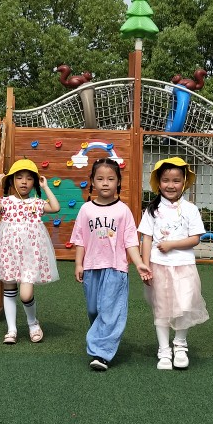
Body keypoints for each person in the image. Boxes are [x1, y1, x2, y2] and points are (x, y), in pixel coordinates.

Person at [69, 157, 151, 371]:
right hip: (91, 267)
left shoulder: (123, 211)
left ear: (118, 182)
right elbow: (80, 239)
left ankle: (101, 353)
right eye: (100, 179)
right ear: (92, 182)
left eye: (110, 179)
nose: (105, 183)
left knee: (110, 310)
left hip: (116, 268)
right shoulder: (86, 209)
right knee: (93, 309)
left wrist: (139, 263)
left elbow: (130, 241)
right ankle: (101, 338)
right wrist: (78, 263)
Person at [139, 157, 209, 370]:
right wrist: (145, 265)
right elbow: (146, 239)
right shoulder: (152, 210)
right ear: (158, 183)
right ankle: (163, 351)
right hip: (158, 266)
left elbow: (195, 238)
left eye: (176, 180)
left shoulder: (190, 209)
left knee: (184, 306)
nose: (171, 185)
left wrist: (172, 245)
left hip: (184, 266)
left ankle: (180, 345)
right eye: (166, 180)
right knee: (161, 309)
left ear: (184, 182)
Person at [0, 158, 61, 344]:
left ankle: (33, 323)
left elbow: (55, 207)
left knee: (26, 294)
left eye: (29, 178)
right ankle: (11, 330)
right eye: (19, 177)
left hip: (30, 255)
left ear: (35, 182)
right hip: (9, 252)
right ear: (12, 181)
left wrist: (46, 187)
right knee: (9, 287)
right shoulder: (6, 202)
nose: (24, 182)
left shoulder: (37, 203)